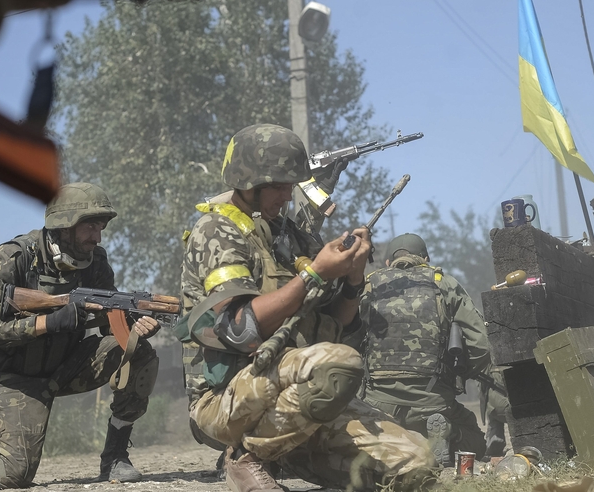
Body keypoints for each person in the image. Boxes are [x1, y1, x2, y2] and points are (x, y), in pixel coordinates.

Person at [177, 124, 435, 492]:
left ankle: (290, 453)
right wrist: (314, 274)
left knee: (418, 464)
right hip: (225, 399)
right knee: (336, 365)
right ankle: (246, 457)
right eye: (278, 186)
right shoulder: (216, 230)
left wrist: (352, 278)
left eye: (290, 185)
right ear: (248, 182)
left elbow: (337, 330)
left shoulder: (290, 235)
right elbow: (238, 329)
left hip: (298, 395)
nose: (287, 195)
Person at [0, 182, 161, 489]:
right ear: (64, 225)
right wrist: (47, 323)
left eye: (101, 227)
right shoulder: (14, 257)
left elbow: (110, 327)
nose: (98, 237)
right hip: (14, 376)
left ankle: (115, 457)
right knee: (12, 473)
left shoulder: (96, 262)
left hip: (65, 367)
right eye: (90, 226)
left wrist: (134, 325)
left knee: (139, 351)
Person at [359, 233, 491, 466]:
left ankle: (393, 437)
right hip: (433, 401)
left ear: (388, 262)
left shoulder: (369, 286)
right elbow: (480, 344)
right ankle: (448, 432)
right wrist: (460, 375)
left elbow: (347, 336)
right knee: (476, 443)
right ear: (426, 259)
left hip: (378, 403)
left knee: (371, 431)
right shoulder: (444, 283)